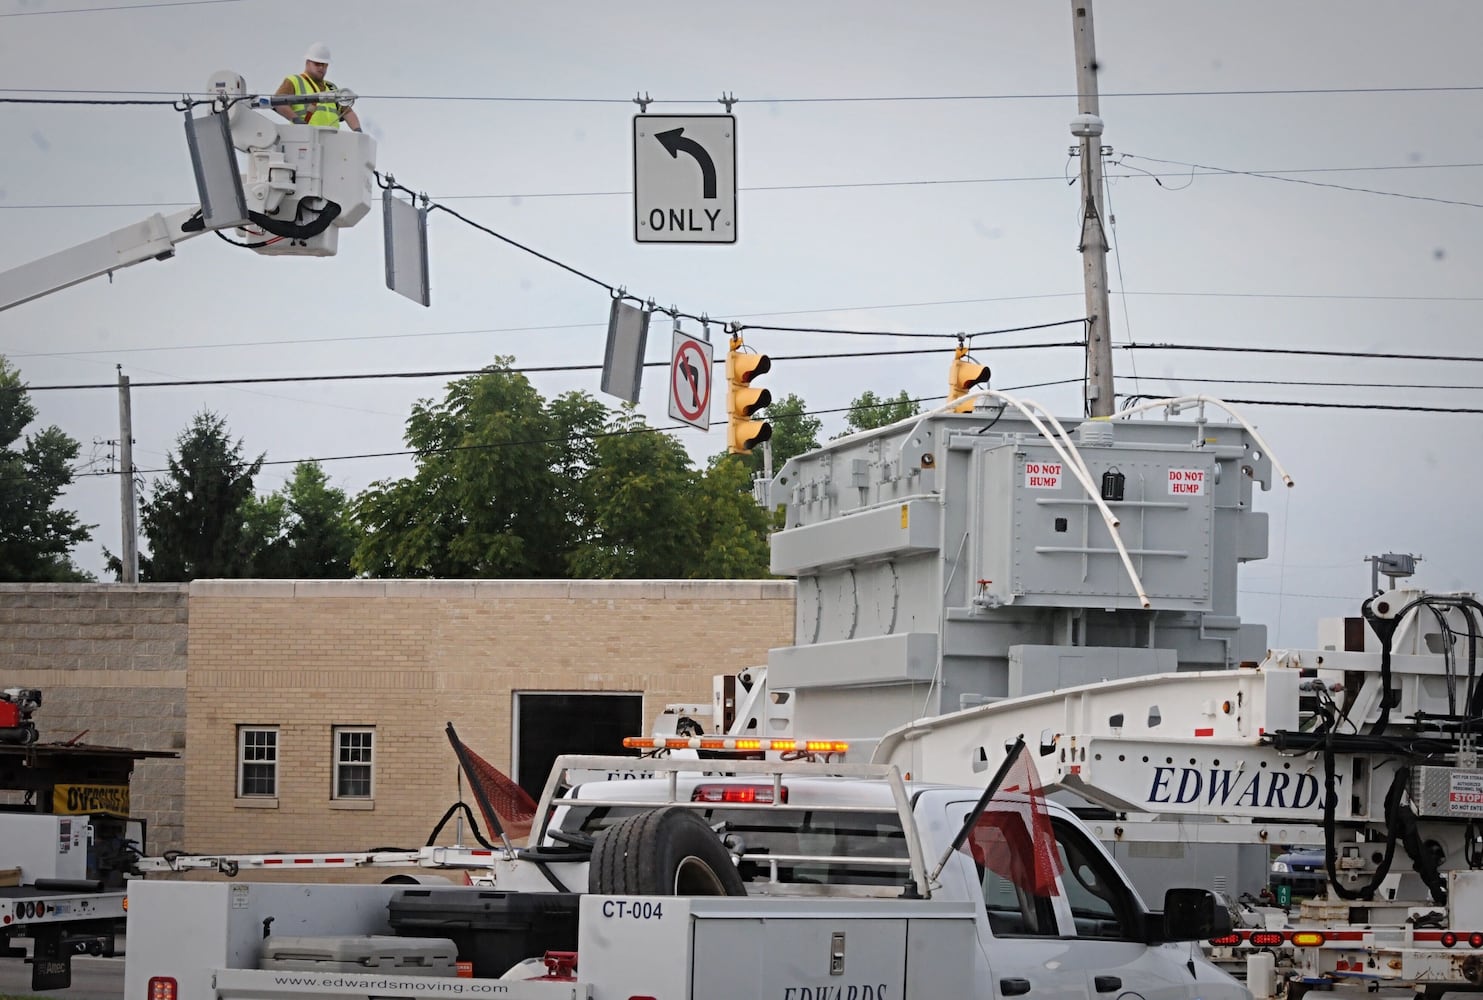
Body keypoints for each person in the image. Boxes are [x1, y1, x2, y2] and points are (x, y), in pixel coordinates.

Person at [273, 42, 362, 132]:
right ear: (307, 63)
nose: (321, 68)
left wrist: (357, 130)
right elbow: (279, 103)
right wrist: (296, 120)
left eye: (324, 65)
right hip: (305, 138)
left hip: (333, 140)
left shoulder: (331, 88)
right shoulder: (294, 81)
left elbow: (347, 112)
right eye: (317, 64)